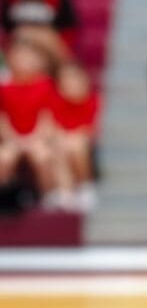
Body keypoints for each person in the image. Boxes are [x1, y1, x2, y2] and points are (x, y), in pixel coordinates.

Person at [0, 37, 57, 203]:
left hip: (37, 138)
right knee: (3, 157)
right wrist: (14, 139)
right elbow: (2, 119)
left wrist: (34, 139)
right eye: (19, 56)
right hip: (11, 139)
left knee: (42, 156)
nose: (23, 61)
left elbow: (47, 118)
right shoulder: (4, 86)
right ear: (10, 59)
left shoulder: (45, 84)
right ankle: (6, 198)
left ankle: (48, 198)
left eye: (28, 57)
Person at [48, 60, 101, 212]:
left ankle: (86, 186)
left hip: (87, 144)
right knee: (59, 148)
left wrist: (74, 137)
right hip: (64, 142)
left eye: (74, 78)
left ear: (84, 79)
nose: (70, 83)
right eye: (65, 79)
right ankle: (65, 191)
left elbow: (94, 129)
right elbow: (53, 126)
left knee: (76, 145)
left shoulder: (96, 100)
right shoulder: (55, 101)